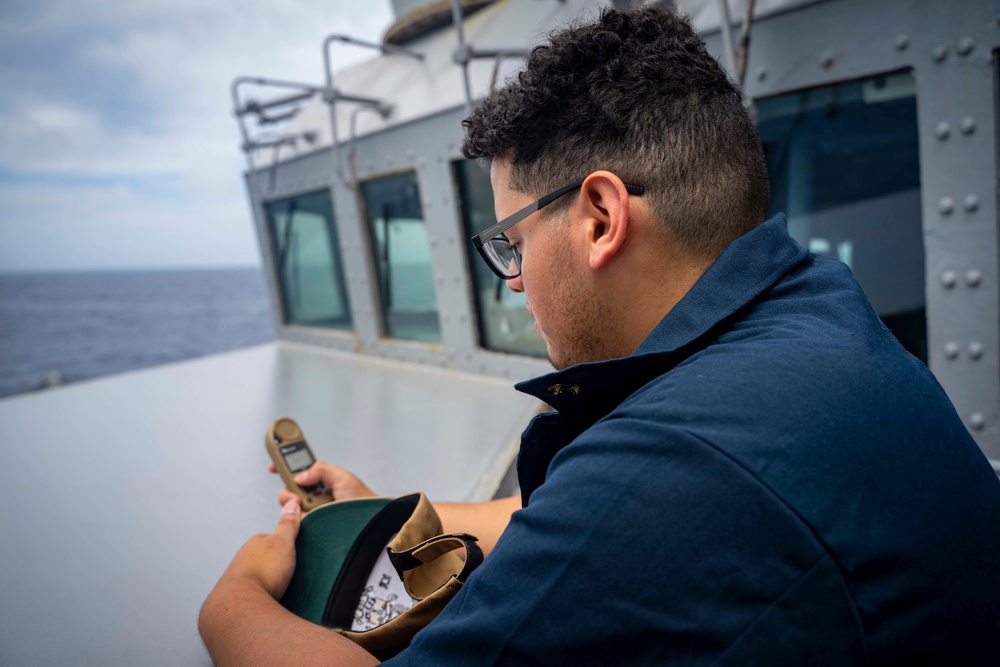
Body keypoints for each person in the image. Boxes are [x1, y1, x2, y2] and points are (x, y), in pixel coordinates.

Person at [199, 6, 1000, 665]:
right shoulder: (812, 312)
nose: (511, 278)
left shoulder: (678, 466)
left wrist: (234, 598)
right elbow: (569, 519)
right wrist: (394, 509)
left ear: (602, 217)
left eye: (511, 239)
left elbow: (629, 507)